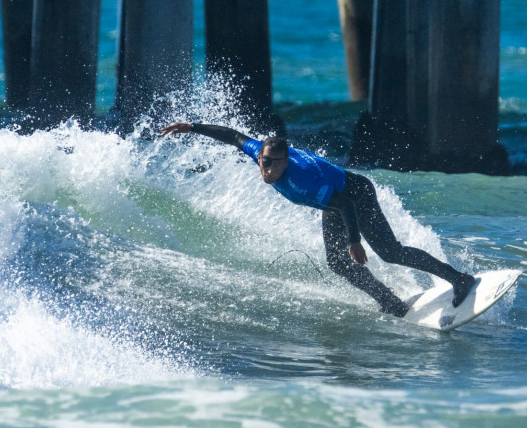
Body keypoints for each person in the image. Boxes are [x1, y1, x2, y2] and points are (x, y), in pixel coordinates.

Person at [159, 122, 477, 317]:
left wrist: (355, 242)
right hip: (334, 203)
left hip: (354, 195)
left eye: (270, 163)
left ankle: (458, 278)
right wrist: (192, 127)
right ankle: (389, 301)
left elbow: (346, 204)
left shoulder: (304, 177)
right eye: (261, 161)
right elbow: (232, 135)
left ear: (284, 161)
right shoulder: (262, 153)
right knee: (336, 263)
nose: (263, 168)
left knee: (390, 252)